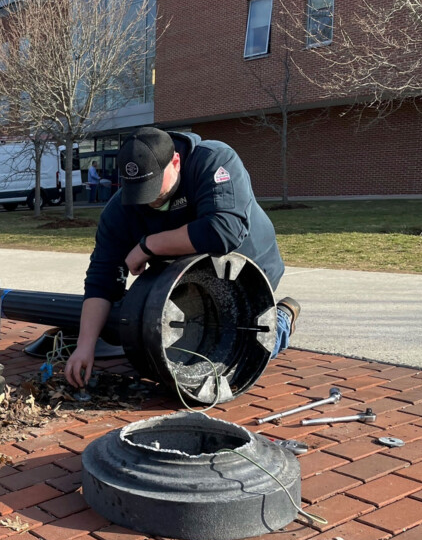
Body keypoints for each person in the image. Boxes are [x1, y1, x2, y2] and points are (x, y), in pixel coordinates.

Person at [64, 126, 300, 389]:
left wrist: (148, 245)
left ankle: (281, 319)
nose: (149, 199)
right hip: (189, 275)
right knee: (190, 343)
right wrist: (85, 347)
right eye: (139, 191)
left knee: (242, 354)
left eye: (154, 187)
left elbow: (224, 230)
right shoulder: (119, 211)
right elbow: (102, 277)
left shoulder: (213, 160)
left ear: (175, 161)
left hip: (247, 268)